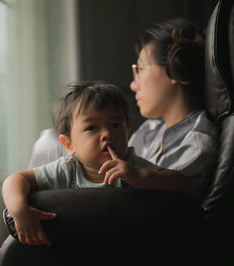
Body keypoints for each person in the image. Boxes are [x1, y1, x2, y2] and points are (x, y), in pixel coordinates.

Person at [28, 17, 219, 203]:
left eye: (140, 70)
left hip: (124, 219)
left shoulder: (196, 143)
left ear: (175, 68)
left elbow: (162, 205)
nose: (133, 85)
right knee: (49, 140)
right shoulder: (150, 129)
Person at [2, 80, 191, 247]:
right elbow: (16, 179)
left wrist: (140, 177)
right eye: (92, 127)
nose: (107, 134)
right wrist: (19, 209)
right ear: (69, 145)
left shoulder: (132, 165)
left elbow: (183, 183)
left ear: (127, 132)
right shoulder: (67, 169)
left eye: (116, 125)